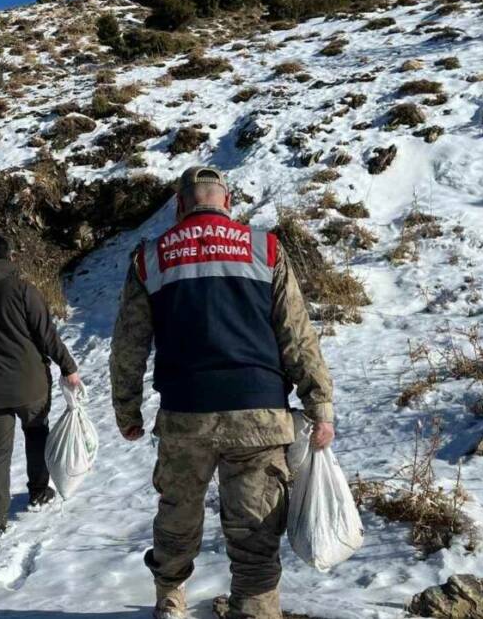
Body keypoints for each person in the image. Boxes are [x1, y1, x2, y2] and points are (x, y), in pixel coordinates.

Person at [110, 167, 335, 619]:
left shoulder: (150, 258)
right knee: (255, 524)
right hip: (259, 411)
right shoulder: (263, 248)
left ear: (179, 206)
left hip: (184, 413)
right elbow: (296, 334)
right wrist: (320, 404)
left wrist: (127, 409)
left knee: (177, 512)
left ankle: (170, 600)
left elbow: (129, 342)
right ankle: (255, 609)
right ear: (227, 202)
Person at [0, 234, 81, 544]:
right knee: (36, 433)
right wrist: (69, 367)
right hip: (30, 384)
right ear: (9, 258)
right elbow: (46, 336)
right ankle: (39, 491)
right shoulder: (24, 291)